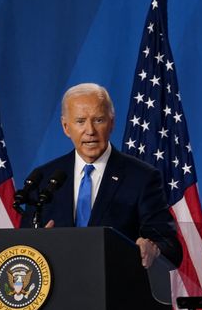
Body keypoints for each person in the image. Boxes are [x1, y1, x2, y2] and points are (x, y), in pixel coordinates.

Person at [20, 83, 182, 269]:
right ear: (66, 127)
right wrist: (35, 244)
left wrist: (153, 249)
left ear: (111, 122)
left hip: (116, 290)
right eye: (80, 121)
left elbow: (171, 248)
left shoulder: (142, 178)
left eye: (98, 120)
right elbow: (23, 247)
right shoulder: (44, 178)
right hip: (58, 290)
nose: (90, 131)